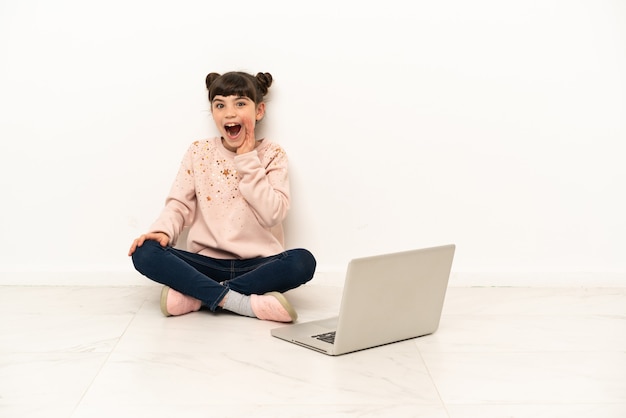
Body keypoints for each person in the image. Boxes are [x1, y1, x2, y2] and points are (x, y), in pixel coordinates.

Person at [128, 71, 316, 323]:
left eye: (240, 103)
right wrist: (163, 231)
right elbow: (179, 205)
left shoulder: (273, 153)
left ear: (258, 111)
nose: (229, 112)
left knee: (303, 261)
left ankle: (196, 296)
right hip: (206, 263)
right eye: (220, 105)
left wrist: (248, 159)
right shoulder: (199, 151)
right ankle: (241, 302)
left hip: (258, 265)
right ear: (213, 112)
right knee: (145, 252)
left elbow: (273, 214)